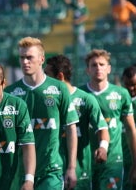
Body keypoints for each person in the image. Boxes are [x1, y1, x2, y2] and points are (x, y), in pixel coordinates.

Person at [4, 37, 79, 190]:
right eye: (22, 58)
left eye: (29, 57)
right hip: (20, 172)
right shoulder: (11, 93)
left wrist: (71, 167)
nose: (25, 62)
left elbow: (71, 128)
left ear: (41, 59)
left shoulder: (59, 88)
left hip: (51, 170)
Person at [44, 55, 110, 190]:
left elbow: (102, 128)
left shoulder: (85, 99)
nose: (44, 80)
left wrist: (103, 147)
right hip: (50, 171)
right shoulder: (45, 99)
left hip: (80, 171)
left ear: (60, 77)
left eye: (47, 75)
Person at [79, 49, 136, 189]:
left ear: (109, 68)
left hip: (113, 160)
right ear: (87, 70)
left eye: (102, 64)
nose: (98, 68)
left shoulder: (121, 94)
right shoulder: (79, 94)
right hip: (86, 161)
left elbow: (131, 130)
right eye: (94, 65)